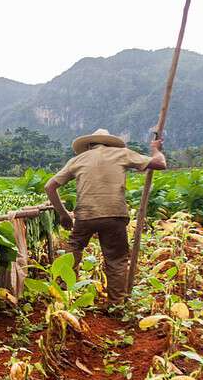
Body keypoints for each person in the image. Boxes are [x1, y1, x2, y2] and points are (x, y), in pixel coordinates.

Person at [44, 128, 166, 303]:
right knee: (116, 259)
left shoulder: (78, 159)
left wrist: (63, 215)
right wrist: (156, 150)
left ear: (89, 145)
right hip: (114, 215)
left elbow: (50, 186)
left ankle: (61, 296)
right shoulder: (122, 153)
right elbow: (160, 164)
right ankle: (116, 304)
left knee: (73, 251)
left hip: (85, 215)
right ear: (109, 143)